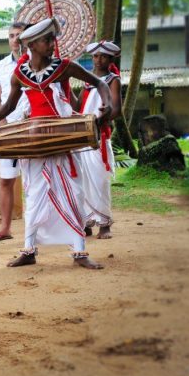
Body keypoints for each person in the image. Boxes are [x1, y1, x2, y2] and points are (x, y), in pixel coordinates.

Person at [0, 17, 113, 270]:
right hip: (35, 141)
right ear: (32, 44)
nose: (52, 43)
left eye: (53, 38)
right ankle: (29, 250)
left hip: (61, 138)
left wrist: (104, 104)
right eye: (47, 40)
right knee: (34, 196)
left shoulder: (64, 66)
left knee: (72, 194)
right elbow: (9, 106)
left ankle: (79, 252)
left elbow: (99, 83)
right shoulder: (20, 74)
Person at [0, 21, 29, 241]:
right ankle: (5, 228)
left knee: (36, 181)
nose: (15, 39)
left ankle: (38, 228)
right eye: (11, 35)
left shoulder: (38, 64)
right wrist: (0, 123)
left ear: (27, 37)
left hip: (33, 128)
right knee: (6, 180)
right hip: (8, 128)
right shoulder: (0, 67)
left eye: (19, 35)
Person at [75, 40, 123, 238]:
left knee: (99, 180)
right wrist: (63, 89)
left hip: (100, 135)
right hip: (83, 135)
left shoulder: (113, 79)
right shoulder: (87, 80)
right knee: (82, 181)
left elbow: (117, 109)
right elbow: (78, 106)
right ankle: (85, 222)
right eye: (95, 56)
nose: (98, 60)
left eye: (103, 56)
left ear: (110, 59)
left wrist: (103, 116)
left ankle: (104, 224)